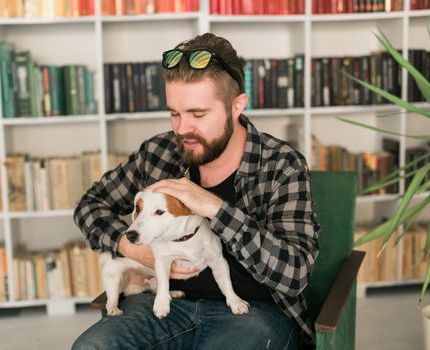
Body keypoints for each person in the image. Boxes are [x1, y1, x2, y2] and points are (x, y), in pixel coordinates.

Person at [72, 33, 320, 350]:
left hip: (257, 313)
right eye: (175, 113)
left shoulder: (282, 166)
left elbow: (295, 273)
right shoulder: (158, 153)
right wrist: (133, 249)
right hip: (164, 303)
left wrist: (215, 209)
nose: (182, 129)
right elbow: (90, 206)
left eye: (198, 114)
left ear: (236, 106)